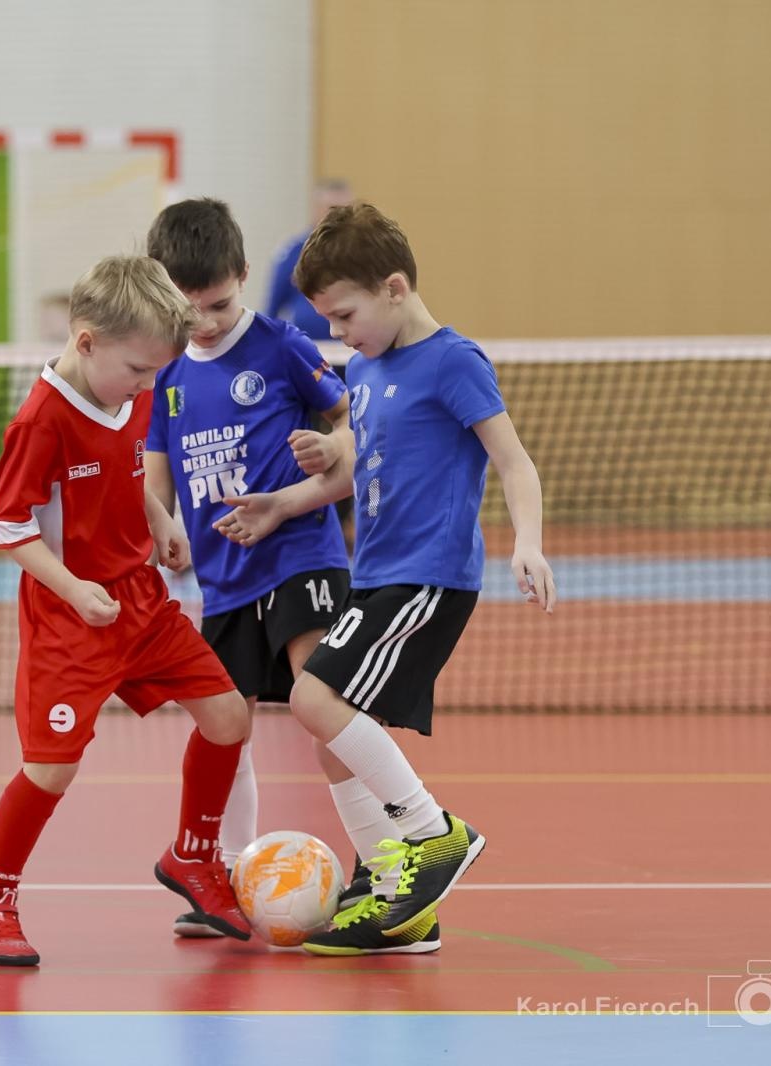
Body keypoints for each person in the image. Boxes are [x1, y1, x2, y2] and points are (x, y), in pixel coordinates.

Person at [252, 203, 555, 954]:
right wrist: (307, 479)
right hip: (375, 572)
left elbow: (513, 461)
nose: (337, 334)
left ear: (393, 287)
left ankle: (433, 834)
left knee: (313, 697)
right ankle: (399, 906)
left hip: (427, 576)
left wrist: (529, 541)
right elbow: (361, 465)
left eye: (345, 314)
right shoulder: (364, 367)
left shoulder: (453, 362)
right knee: (333, 738)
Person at [0, 255, 253, 967]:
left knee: (229, 717)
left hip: (143, 603)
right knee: (51, 770)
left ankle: (194, 855)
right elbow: (11, 526)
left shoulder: (130, 390)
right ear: (86, 341)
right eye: (139, 370)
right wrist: (71, 588)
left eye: (156, 373)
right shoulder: (40, 421)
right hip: (71, 618)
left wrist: (158, 516)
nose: (149, 385)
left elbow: (125, 469)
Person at [143, 198, 356, 939]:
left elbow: (346, 420)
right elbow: (154, 474)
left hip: (302, 555)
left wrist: (330, 457)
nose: (204, 321)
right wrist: (161, 525)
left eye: (219, 303)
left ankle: (379, 861)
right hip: (223, 582)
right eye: (187, 308)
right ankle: (227, 872)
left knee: (321, 704)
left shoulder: (280, 343)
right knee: (223, 724)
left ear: (242, 274)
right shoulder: (166, 371)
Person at [264, 179, 355, 340]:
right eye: (331, 209)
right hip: (305, 347)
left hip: (351, 345)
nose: (338, 217)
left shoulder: (363, 253)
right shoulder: (292, 251)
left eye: (344, 210)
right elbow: (273, 307)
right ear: (316, 210)